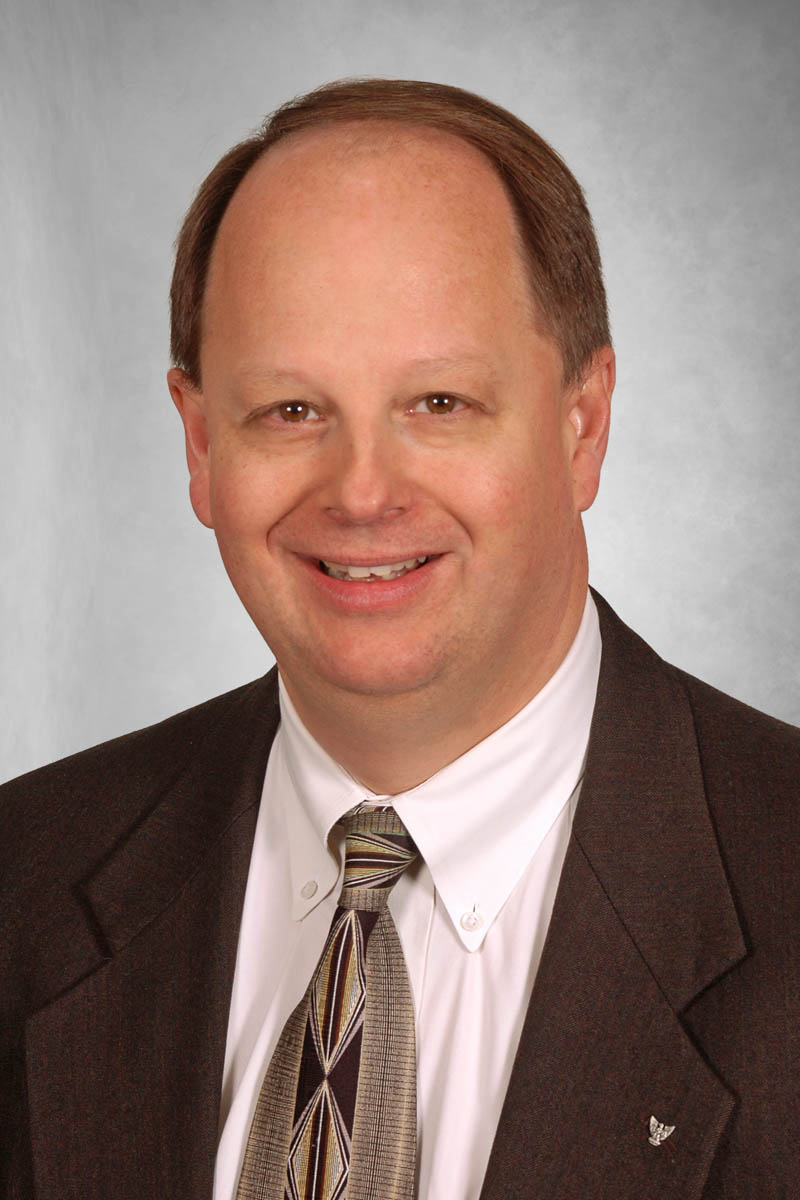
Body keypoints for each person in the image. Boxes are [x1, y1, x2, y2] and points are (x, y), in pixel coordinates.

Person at [1, 78, 797, 1200]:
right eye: (290, 410)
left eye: (437, 403)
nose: (362, 493)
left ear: (582, 423)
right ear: (197, 445)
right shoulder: (22, 884)